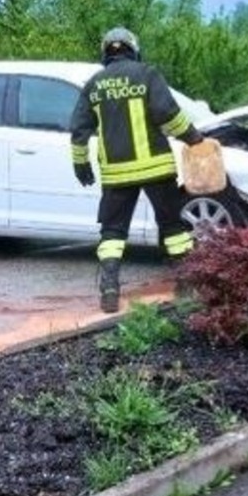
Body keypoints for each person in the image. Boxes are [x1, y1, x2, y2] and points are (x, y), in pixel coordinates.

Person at [69, 26, 203, 313]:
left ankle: (109, 289)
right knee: (173, 227)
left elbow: (79, 129)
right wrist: (193, 138)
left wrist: (80, 162)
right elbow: (168, 114)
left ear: (106, 52)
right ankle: (186, 286)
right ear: (133, 48)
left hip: (117, 173)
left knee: (113, 232)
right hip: (156, 168)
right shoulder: (147, 75)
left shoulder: (94, 84)